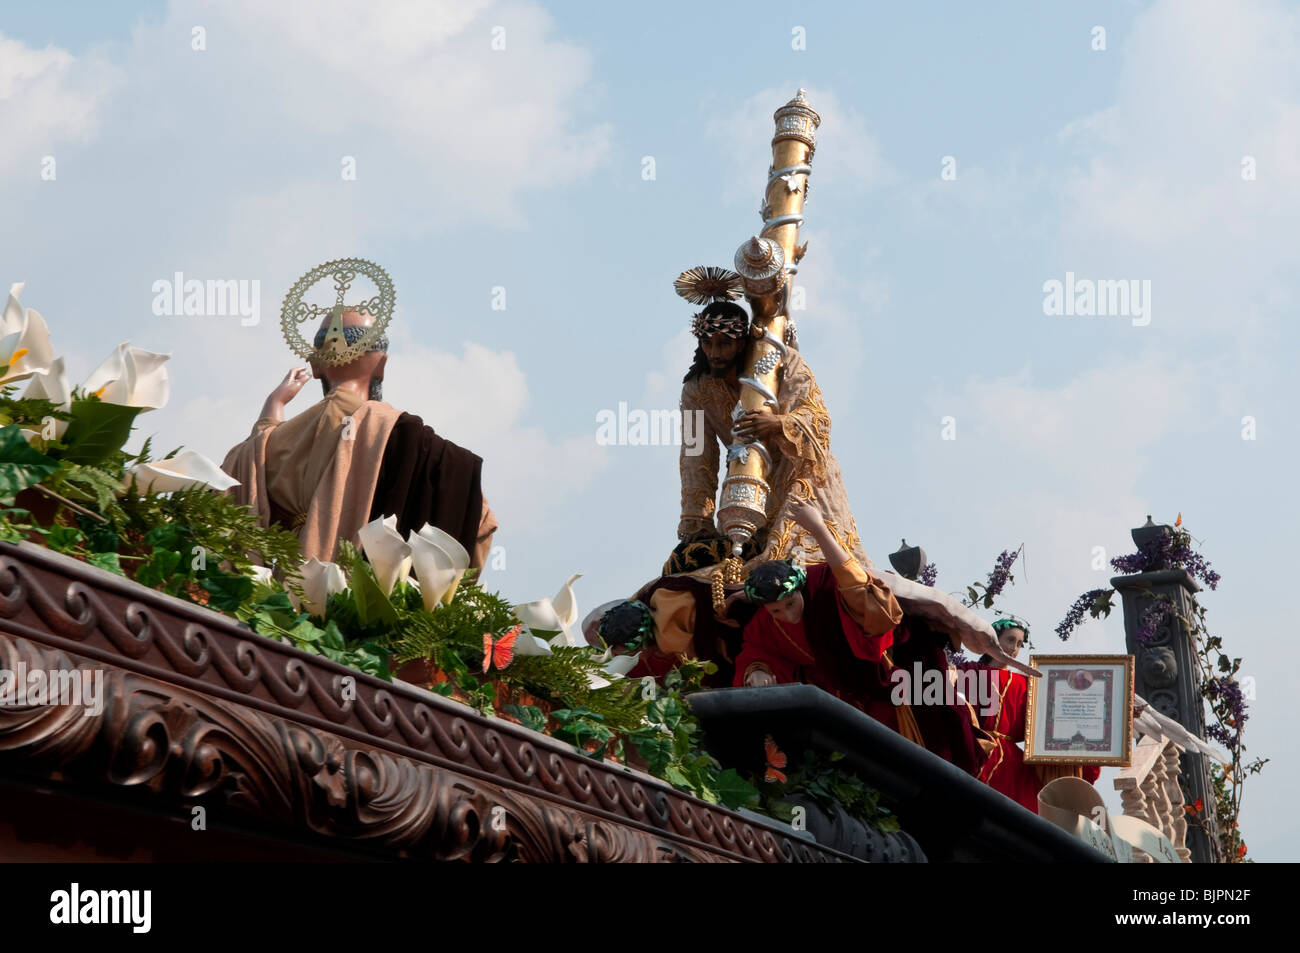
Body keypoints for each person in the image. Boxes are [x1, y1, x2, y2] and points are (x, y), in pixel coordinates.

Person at [221, 306, 497, 565]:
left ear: (315, 367)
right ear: (382, 366)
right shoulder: (405, 438)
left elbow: (240, 477)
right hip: (352, 600)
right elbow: (480, 523)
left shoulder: (265, 447)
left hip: (278, 593)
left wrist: (273, 407)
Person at [676, 300, 870, 573]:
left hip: (800, 477)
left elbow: (819, 422)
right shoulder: (696, 390)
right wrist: (698, 524)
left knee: (810, 568)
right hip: (746, 488)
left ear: (742, 342)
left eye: (724, 344)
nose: (714, 353)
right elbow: (695, 456)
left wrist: (778, 424)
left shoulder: (784, 361)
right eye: (708, 344)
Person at [733, 500, 925, 743]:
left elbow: (856, 585)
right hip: (826, 710)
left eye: (790, 604)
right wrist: (757, 672)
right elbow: (756, 651)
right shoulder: (766, 623)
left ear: (801, 589)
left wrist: (817, 528)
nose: (788, 615)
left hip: (876, 694)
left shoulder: (826, 586)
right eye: (777, 611)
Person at [968, 618, 1100, 813]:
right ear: (994, 640)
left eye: (1020, 644)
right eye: (1010, 640)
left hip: (1011, 762)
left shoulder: (1028, 684)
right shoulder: (970, 672)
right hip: (975, 748)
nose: (1014, 648)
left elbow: (1058, 715)